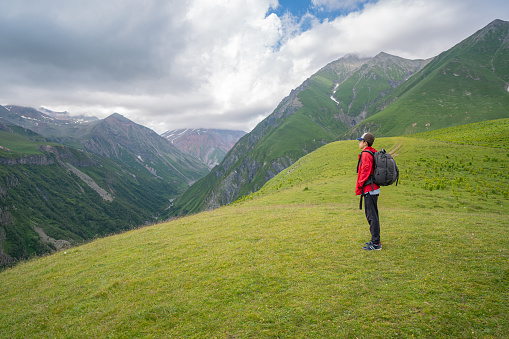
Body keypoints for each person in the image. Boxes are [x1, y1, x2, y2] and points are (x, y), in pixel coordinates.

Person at [356, 132, 381, 251]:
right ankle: (375, 240)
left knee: (371, 216)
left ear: (365, 142)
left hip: (369, 188)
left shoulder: (366, 154)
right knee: (373, 215)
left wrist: (360, 184)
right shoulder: (373, 152)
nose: (359, 143)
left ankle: (376, 243)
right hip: (374, 188)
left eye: (361, 141)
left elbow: (365, 171)